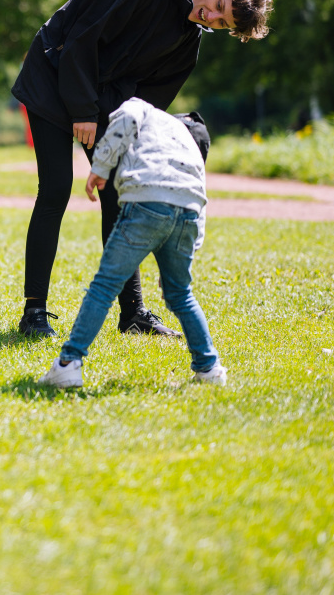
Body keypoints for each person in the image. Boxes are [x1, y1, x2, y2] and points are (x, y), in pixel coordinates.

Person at [11, 0, 271, 338]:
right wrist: (83, 111)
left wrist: (117, 137)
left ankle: (133, 314)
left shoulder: (187, 42)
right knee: (56, 189)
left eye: (221, 23)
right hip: (52, 73)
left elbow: (145, 106)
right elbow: (81, 39)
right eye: (218, 5)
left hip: (99, 101)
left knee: (119, 195)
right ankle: (34, 313)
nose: (212, 16)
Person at [38, 98, 227, 387]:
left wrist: (100, 167)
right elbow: (200, 202)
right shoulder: (189, 147)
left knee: (104, 286)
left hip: (146, 202)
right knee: (181, 294)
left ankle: (68, 364)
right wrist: (182, 258)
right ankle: (209, 369)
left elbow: (126, 120)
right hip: (187, 211)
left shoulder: (142, 108)